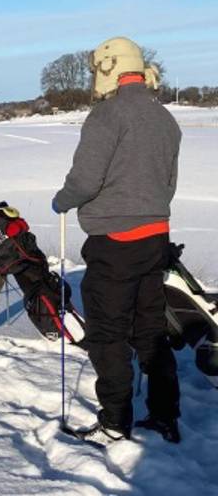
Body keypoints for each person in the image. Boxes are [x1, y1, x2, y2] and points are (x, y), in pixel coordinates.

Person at [52, 37, 182, 444]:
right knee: (149, 329)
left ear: (108, 68)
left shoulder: (107, 115)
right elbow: (169, 183)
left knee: (108, 333)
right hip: (156, 237)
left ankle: (114, 422)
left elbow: (86, 180)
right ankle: (164, 415)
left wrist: (63, 200)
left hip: (115, 240)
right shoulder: (165, 118)